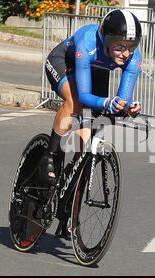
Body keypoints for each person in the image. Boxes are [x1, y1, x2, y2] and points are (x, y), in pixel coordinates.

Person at [40, 9, 143, 239]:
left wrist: (127, 107)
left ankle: (68, 204)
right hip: (64, 62)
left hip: (96, 72)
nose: (126, 53)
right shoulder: (88, 42)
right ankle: (49, 155)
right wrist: (107, 101)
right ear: (106, 41)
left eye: (131, 46)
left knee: (90, 143)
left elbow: (120, 100)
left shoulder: (133, 58)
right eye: (120, 46)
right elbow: (86, 95)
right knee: (76, 102)